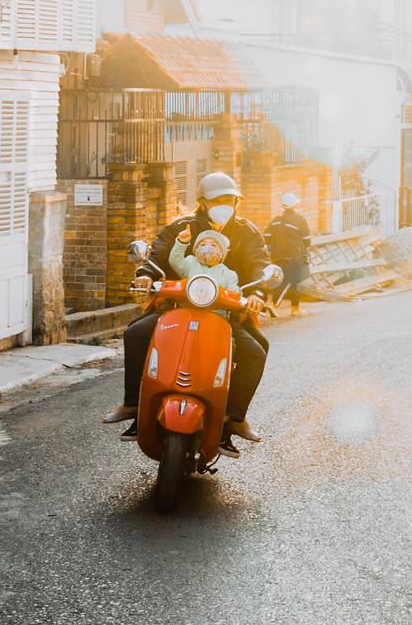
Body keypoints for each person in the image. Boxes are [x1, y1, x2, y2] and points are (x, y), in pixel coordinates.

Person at [104, 172, 272, 445]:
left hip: (227, 311)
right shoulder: (181, 228)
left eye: (230, 199)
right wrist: (146, 274)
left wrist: (256, 292)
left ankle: (234, 418)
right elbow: (159, 252)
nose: (225, 205)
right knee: (135, 333)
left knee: (257, 350)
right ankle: (133, 403)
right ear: (203, 202)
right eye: (218, 199)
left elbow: (259, 263)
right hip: (178, 305)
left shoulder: (246, 232)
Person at [267, 192, 313, 309]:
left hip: (277, 257)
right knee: (295, 283)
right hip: (294, 257)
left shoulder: (276, 220)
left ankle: (273, 304)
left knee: (279, 281)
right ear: (295, 205)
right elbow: (307, 240)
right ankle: (294, 309)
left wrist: (273, 246)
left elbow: (266, 235)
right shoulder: (299, 220)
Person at [169, 226, 240, 293]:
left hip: (216, 306)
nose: (207, 248)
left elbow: (234, 294)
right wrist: (182, 242)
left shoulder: (229, 274)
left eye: (213, 245)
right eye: (203, 244)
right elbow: (175, 261)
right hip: (188, 304)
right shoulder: (190, 263)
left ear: (222, 253)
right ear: (196, 250)